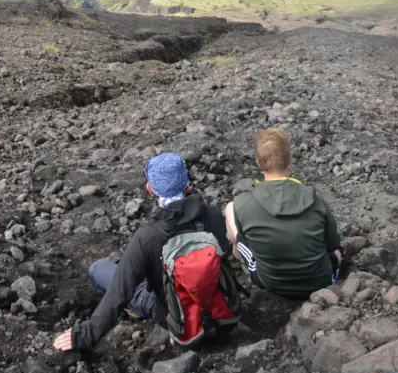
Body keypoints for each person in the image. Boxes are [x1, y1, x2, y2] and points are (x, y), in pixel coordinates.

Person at [52, 152, 235, 352]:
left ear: (150, 189)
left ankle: (136, 310)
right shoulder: (214, 215)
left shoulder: (147, 236)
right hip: (223, 315)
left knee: (98, 270)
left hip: (178, 321)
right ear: (187, 184)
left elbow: (119, 293)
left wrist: (85, 334)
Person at [224, 128, 344, 299]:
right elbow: (333, 243)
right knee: (339, 252)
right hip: (320, 282)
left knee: (230, 210)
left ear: (258, 162)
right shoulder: (315, 200)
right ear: (290, 160)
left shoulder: (243, 204)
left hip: (271, 282)